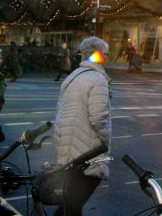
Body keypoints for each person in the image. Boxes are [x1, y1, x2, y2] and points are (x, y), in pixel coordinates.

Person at [53, 37, 111, 216]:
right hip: (88, 151)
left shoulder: (72, 77)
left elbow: (60, 112)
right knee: (72, 205)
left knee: (70, 204)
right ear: (98, 55)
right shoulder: (97, 79)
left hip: (69, 148)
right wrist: (106, 141)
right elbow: (99, 117)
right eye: (106, 54)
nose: (108, 58)